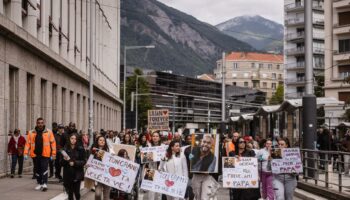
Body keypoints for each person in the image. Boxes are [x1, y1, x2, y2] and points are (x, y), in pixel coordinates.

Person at [24, 117, 57, 191]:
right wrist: (25, 153)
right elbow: (27, 144)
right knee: (37, 170)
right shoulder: (31, 132)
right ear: (36, 123)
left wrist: (53, 154)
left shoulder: (49, 132)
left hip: (45, 154)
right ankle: (39, 183)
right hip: (35, 155)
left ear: (44, 123)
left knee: (44, 168)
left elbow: (53, 143)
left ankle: (45, 183)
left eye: (42, 123)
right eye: (39, 123)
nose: (40, 124)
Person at [61, 133, 86, 200]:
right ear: (69, 139)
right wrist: (64, 160)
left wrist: (75, 163)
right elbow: (61, 163)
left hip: (77, 173)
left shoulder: (81, 149)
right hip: (68, 174)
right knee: (70, 193)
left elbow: (83, 161)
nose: (73, 140)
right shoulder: (65, 149)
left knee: (77, 192)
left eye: (75, 139)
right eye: (72, 138)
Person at [91, 135, 110, 200]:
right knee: (97, 194)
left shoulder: (109, 150)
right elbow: (90, 161)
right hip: (97, 176)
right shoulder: (93, 150)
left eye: (103, 140)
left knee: (106, 196)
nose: (102, 141)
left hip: (107, 176)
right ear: (97, 141)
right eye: (100, 140)